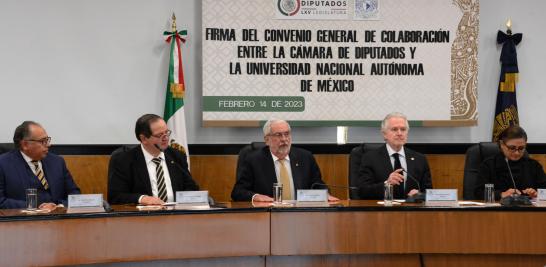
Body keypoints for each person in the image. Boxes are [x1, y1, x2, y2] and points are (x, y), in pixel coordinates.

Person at [231, 119, 339, 202]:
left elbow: (317, 185)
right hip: (267, 216)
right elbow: (238, 192)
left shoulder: (305, 157)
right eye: (278, 135)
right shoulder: (254, 160)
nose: (284, 139)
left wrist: (325, 194)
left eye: (287, 134)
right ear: (267, 140)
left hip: (301, 214)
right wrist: (255, 197)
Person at [108, 114, 199, 205]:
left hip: (176, 214)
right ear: (144, 139)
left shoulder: (176, 156)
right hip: (143, 216)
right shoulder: (124, 160)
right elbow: (115, 196)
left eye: (167, 133)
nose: (166, 138)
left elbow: (191, 187)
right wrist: (142, 198)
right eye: (159, 135)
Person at [0, 121, 80, 210]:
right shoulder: (3, 164)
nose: (49, 145)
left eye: (47, 140)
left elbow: (75, 195)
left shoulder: (57, 162)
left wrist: (59, 206)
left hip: (57, 220)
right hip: (22, 221)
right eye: (43, 141)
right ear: (25, 144)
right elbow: (1, 201)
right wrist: (35, 207)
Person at [355, 112, 433, 199]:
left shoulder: (420, 159)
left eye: (403, 129)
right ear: (384, 134)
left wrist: (420, 195)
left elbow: (429, 192)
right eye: (394, 129)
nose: (399, 133)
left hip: (411, 210)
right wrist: (386, 184)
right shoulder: (370, 158)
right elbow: (362, 191)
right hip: (381, 210)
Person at [475, 125, 546, 200]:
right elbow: (478, 193)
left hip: (527, 210)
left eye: (521, 148)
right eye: (512, 148)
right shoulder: (488, 165)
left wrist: (537, 194)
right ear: (502, 144)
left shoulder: (534, 165)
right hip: (497, 210)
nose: (517, 153)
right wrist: (501, 194)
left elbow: (544, 190)